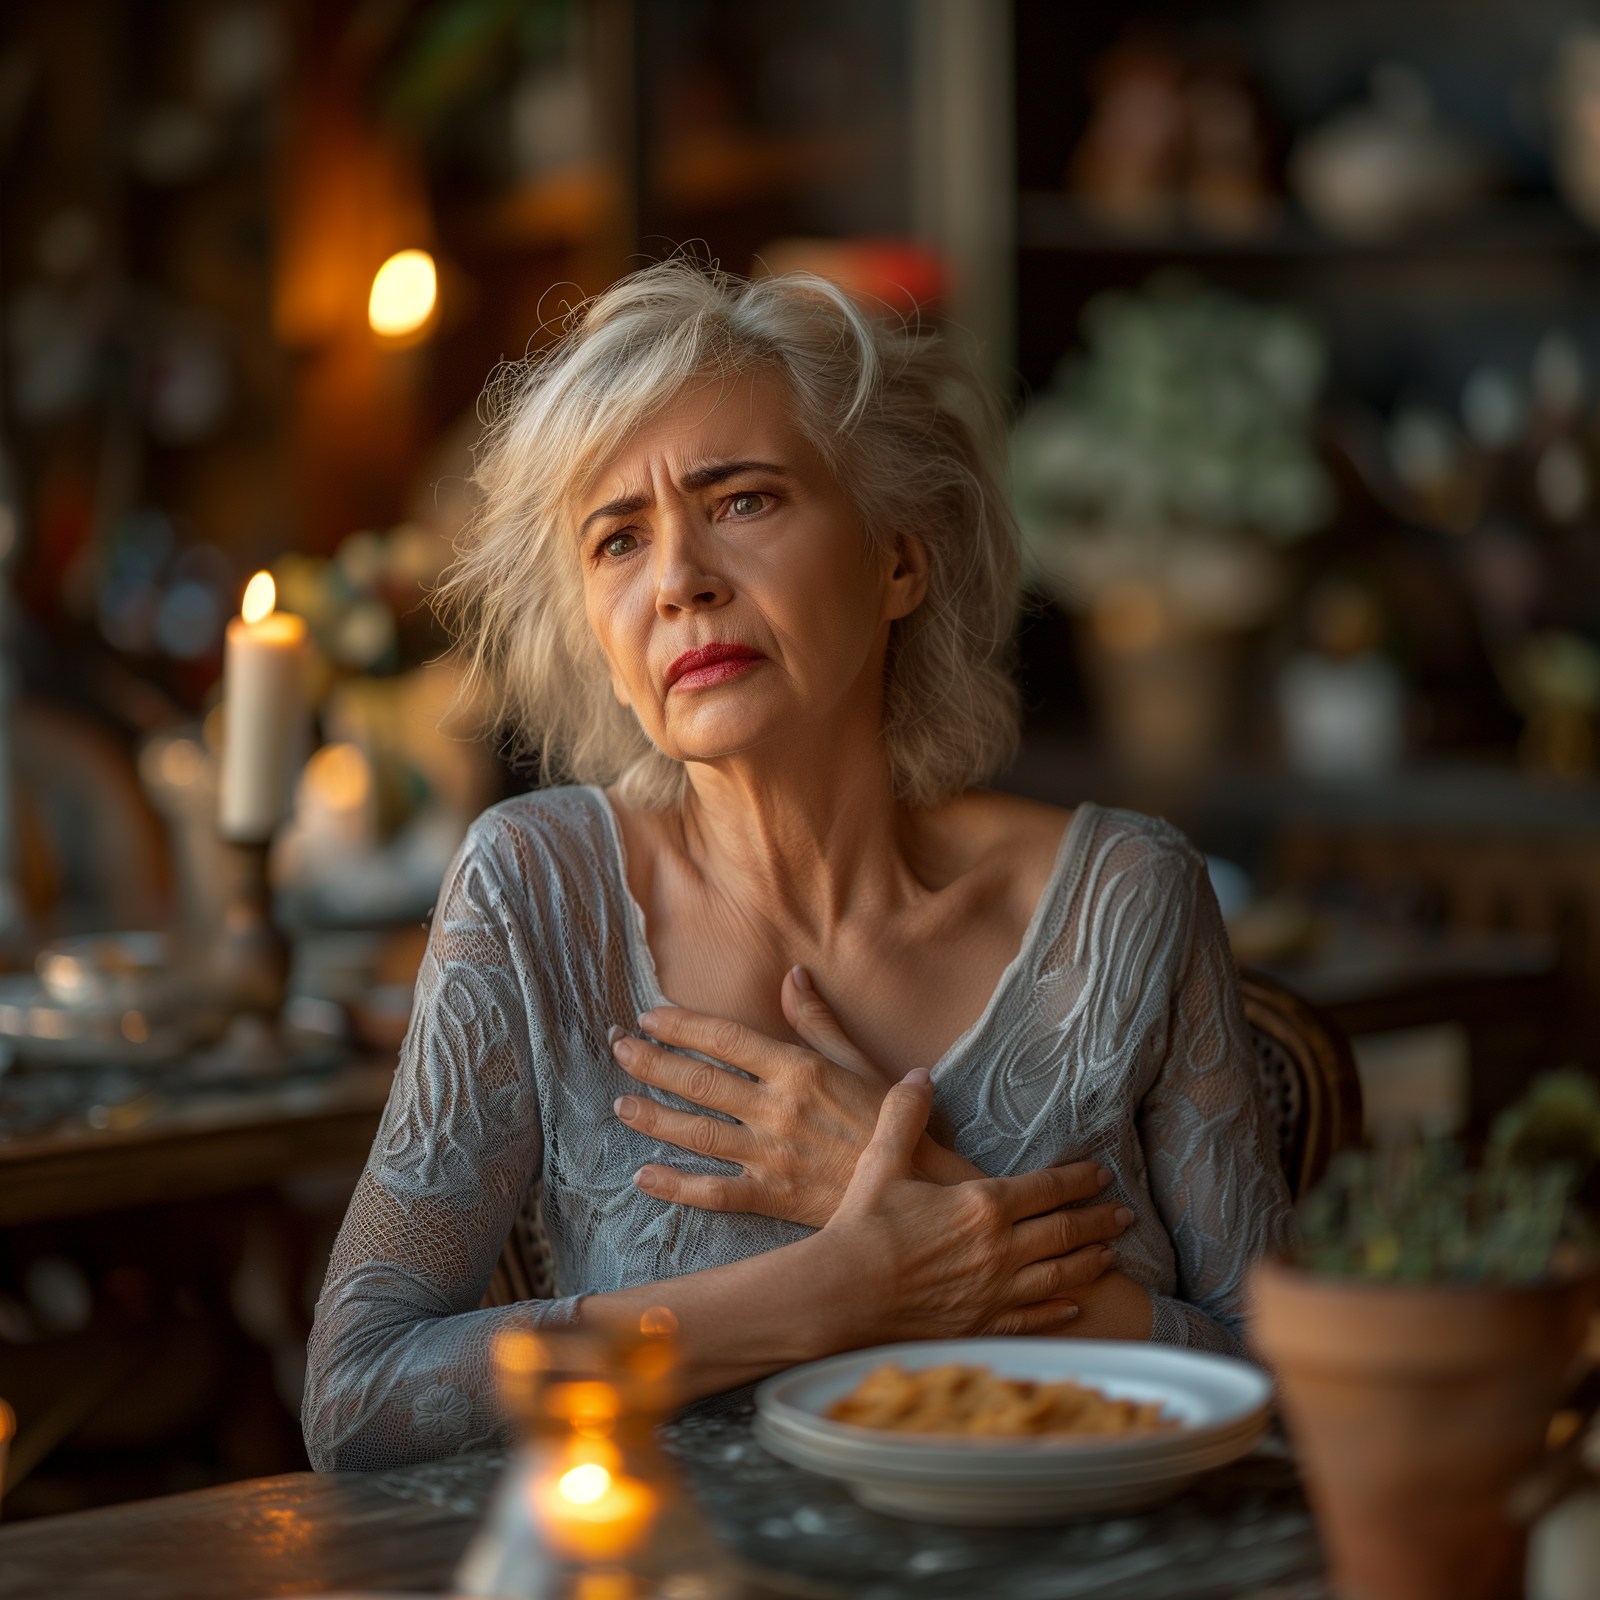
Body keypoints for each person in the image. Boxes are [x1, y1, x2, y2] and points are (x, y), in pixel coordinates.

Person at [302, 262, 1295, 1472]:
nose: (678, 580)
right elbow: (358, 1397)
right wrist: (839, 1285)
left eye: (743, 502)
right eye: (617, 540)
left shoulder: (1128, 899)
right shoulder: (533, 888)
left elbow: (1285, 1392)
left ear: (897, 562)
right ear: (600, 647)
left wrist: (903, 1185)